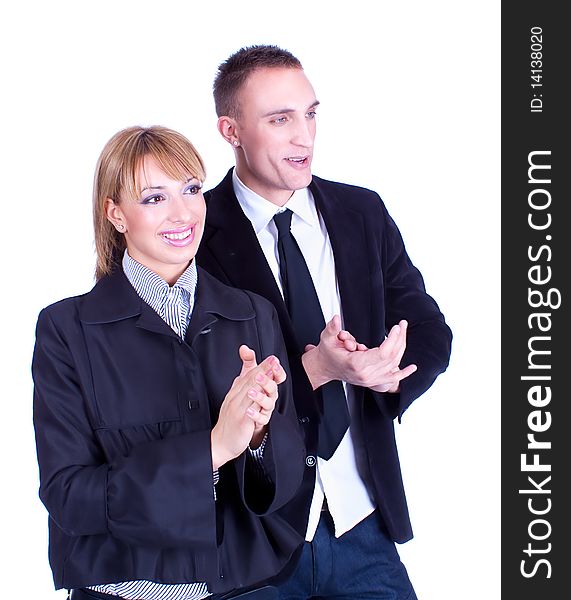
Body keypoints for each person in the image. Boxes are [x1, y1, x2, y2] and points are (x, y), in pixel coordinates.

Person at [196, 45, 453, 599]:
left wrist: (385, 372)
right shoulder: (193, 232)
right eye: (279, 119)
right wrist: (316, 369)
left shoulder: (361, 212)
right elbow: (193, 383)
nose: (304, 137)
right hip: (247, 535)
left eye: (310, 113)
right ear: (230, 129)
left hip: (362, 527)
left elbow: (431, 332)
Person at [32, 125, 306, 600]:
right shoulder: (66, 330)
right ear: (116, 214)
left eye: (191, 190)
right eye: (154, 198)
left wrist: (259, 435)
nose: (183, 213)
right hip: (120, 591)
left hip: (245, 589)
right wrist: (214, 449)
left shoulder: (252, 313)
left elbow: (282, 489)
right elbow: (69, 497)